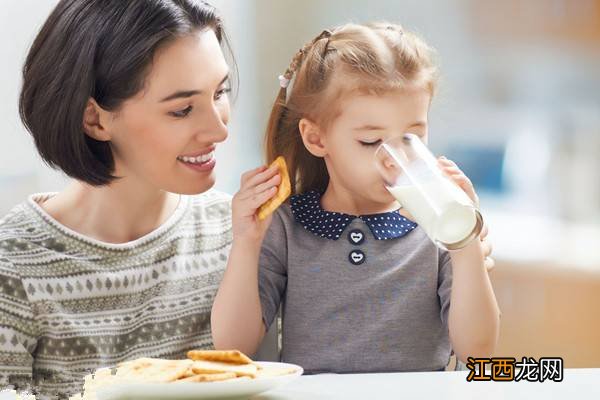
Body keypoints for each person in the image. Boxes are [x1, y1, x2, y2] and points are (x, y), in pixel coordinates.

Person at [212, 22, 500, 374]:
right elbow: (232, 346)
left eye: (412, 137)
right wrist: (246, 243)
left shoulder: (438, 223)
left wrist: (465, 244)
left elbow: (479, 355)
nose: (395, 159)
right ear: (316, 139)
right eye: (370, 142)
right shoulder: (287, 225)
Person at [0, 1, 235, 397]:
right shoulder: (15, 264)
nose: (218, 130)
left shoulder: (237, 235)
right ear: (95, 119)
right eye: (182, 110)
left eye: (221, 92)